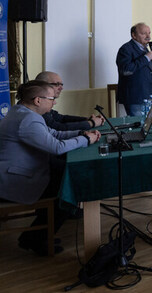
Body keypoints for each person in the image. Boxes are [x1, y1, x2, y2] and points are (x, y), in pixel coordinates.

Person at [0, 81, 101, 256]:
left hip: (19, 172)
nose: (54, 102)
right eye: (52, 98)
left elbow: (55, 134)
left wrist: (81, 134)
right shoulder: (27, 120)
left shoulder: (22, 111)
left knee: (66, 176)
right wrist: (86, 140)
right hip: (15, 180)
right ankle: (34, 238)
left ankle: (39, 233)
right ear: (38, 100)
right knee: (70, 186)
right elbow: (56, 147)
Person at [33, 71, 103, 131]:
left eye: (61, 84)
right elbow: (57, 127)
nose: (61, 88)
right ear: (42, 85)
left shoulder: (44, 103)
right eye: (57, 84)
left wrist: (86, 119)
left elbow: (62, 118)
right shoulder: (38, 106)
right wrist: (91, 123)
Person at [116, 22, 152, 117]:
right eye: (143, 33)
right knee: (139, 128)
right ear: (133, 35)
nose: (148, 36)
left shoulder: (146, 49)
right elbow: (126, 70)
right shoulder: (125, 49)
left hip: (149, 97)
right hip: (135, 99)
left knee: (149, 128)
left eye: (149, 33)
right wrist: (146, 58)